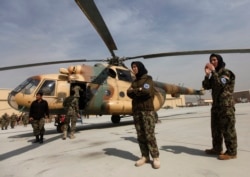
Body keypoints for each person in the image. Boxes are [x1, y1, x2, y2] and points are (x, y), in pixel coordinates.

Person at [202, 53, 237, 160]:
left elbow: (220, 84)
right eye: (211, 60)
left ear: (219, 60)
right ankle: (217, 149)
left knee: (228, 129)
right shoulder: (214, 74)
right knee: (215, 129)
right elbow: (206, 86)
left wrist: (213, 71)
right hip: (216, 106)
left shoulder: (226, 73)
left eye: (214, 60)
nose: (212, 62)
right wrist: (207, 75)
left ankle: (231, 152)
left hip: (226, 106)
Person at [127, 61, 160, 169]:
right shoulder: (134, 81)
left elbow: (147, 92)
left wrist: (134, 92)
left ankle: (155, 157)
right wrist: (139, 90)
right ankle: (145, 156)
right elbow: (128, 93)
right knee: (140, 135)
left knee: (149, 135)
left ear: (140, 67)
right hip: (137, 112)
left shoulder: (148, 79)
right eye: (132, 67)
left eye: (135, 66)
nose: (134, 68)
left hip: (147, 111)